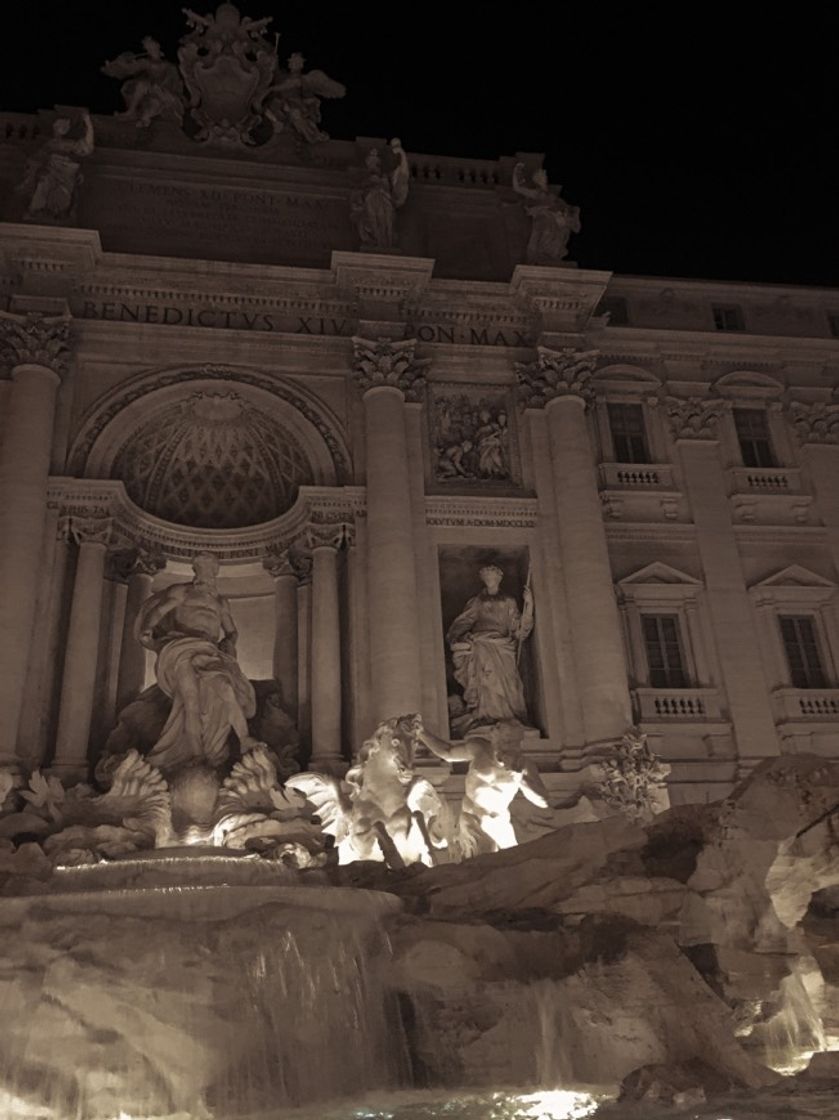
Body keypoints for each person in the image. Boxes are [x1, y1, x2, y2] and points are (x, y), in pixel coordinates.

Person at [134, 553, 261, 775]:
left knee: (226, 688)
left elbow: (231, 631)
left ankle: (244, 738)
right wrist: (148, 628)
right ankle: (196, 755)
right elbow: (160, 611)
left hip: (209, 651)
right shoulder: (182, 591)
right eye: (203, 568)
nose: (208, 573)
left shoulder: (220, 602)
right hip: (181, 648)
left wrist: (229, 644)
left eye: (212, 569)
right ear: (196, 570)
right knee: (189, 700)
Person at [413, 716, 549, 855]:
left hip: (497, 820)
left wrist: (521, 779)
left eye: (511, 742)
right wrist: (422, 733)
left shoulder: (523, 765)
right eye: (503, 740)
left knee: (512, 862)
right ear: (494, 736)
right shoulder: (479, 748)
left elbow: (543, 801)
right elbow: (447, 752)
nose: (506, 746)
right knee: (484, 857)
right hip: (471, 816)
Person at [446, 564, 533, 726]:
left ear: (499, 579)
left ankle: (510, 717)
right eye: (486, 578)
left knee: (509, 682)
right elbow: (464, 621)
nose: (489, 581)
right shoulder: (477, 601)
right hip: (481, 644)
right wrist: (457, 638)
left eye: (492, 577)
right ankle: (486, 717)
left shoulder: (509, 601)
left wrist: (529, 606)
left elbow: (519, 629)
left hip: (503, 646)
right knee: (486, 681)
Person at [19, 110, 94, 223]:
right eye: (60, 125)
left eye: (65, 125)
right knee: (44, 184)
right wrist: (37, 170)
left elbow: (88, 147)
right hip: (51, 171)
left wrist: (88, 122)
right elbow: (36, 159)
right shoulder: (50, 144)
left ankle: (57, 213)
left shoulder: (71, 144)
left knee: (62, 193)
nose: (63, 127)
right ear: (55, 127)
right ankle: (37, 211)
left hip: (67, 173)